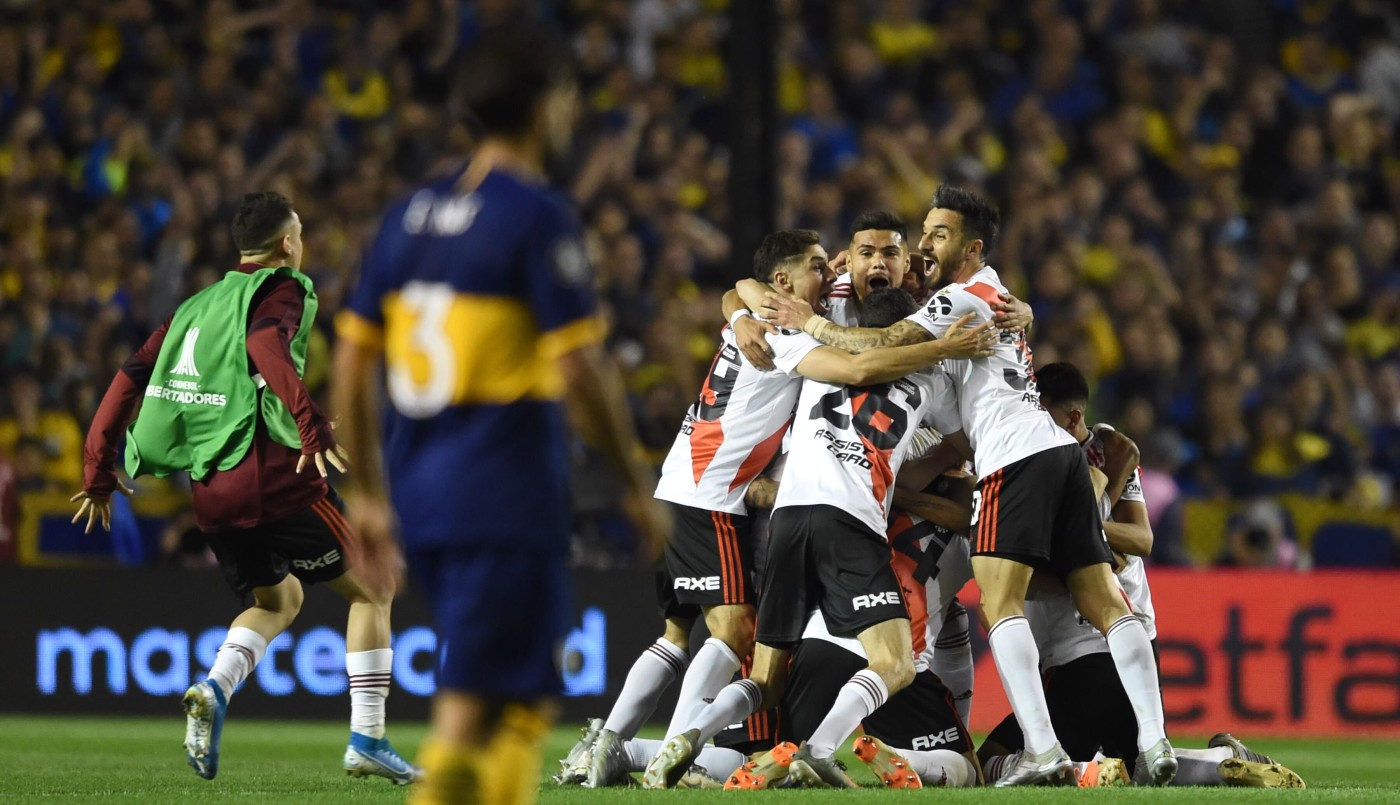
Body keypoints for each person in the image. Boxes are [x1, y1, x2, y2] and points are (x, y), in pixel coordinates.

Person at [328, 26, 669, 805]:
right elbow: (580, 367)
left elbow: (350, 360)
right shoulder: (534, 215)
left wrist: (372, 494)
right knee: (481, 710)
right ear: (549, 107)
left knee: (505, 698)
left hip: (422, 490)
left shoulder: (407, 216)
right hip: (503, 491)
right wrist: (630, 476)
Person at [762, 184, 1177, 787]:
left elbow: (878, 345)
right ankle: (1156, 742)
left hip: (1016, 459)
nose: (924, 244)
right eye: (923, 234)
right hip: (1053, 453)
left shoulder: (963, 296)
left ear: (971, 246)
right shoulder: (978, 298)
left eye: (937, 235)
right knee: (1109, 605)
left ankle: (1042, 749)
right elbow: (957, 433)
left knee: (999, 603)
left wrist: (810, 323)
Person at [72, 191, 418, 784]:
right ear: (287, 243)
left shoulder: (194, 308)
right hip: (274, 481)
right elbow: (265, 345)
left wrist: (98, 471)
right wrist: (309, 427)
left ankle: (214, 687)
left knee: (278, 601)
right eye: (301, 232)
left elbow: (127, 380)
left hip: (210, 492)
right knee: (375, 585)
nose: (302, 242)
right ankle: (368, 738)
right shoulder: (282, 289)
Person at [645, 287, 995, 789]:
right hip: (849, 517)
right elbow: (967, 447)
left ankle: (691, 735)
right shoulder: (930, 380)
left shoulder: (814, 361)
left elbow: (744, 288)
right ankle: (819, 750)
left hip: (788, 517)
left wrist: (744, 314)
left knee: (766, 680)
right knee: (895, 664)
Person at [567, 229, 833, 789]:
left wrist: (738, 309)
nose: (828, 274)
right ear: (782, 283)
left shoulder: (754, 314)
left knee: (674, 634)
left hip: (684, 483)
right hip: (711, 495)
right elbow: (852, 370)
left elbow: (735, 292)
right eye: (816, 266)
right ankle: (671, 752)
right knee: (736, 631)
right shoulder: (782, 333)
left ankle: (602, 746)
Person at [977, 362, 1304, 790]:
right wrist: (1095, 518)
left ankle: (1089, 772)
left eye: (1043, 417)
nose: (1033, 427)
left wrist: (1075, 529)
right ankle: (1221, 759)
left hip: (1083, 653)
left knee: (994, 762)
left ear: (1074, 417)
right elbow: (1119, 543)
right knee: (1140, 766)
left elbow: (1141, 540)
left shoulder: (1090, 456)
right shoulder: (1108, 455)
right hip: (1134, 646)